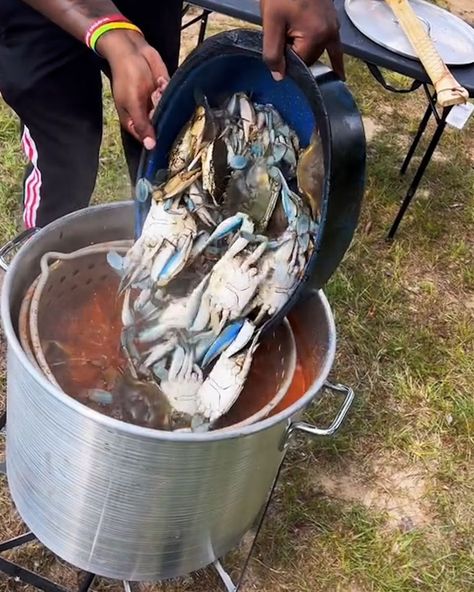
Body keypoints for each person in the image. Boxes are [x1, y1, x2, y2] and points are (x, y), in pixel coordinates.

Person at [0, 0, 344, 229]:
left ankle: (155, 227)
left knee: (157, 128)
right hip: (37, 13)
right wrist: (108, 31)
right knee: (64, 150)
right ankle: (40, 252)